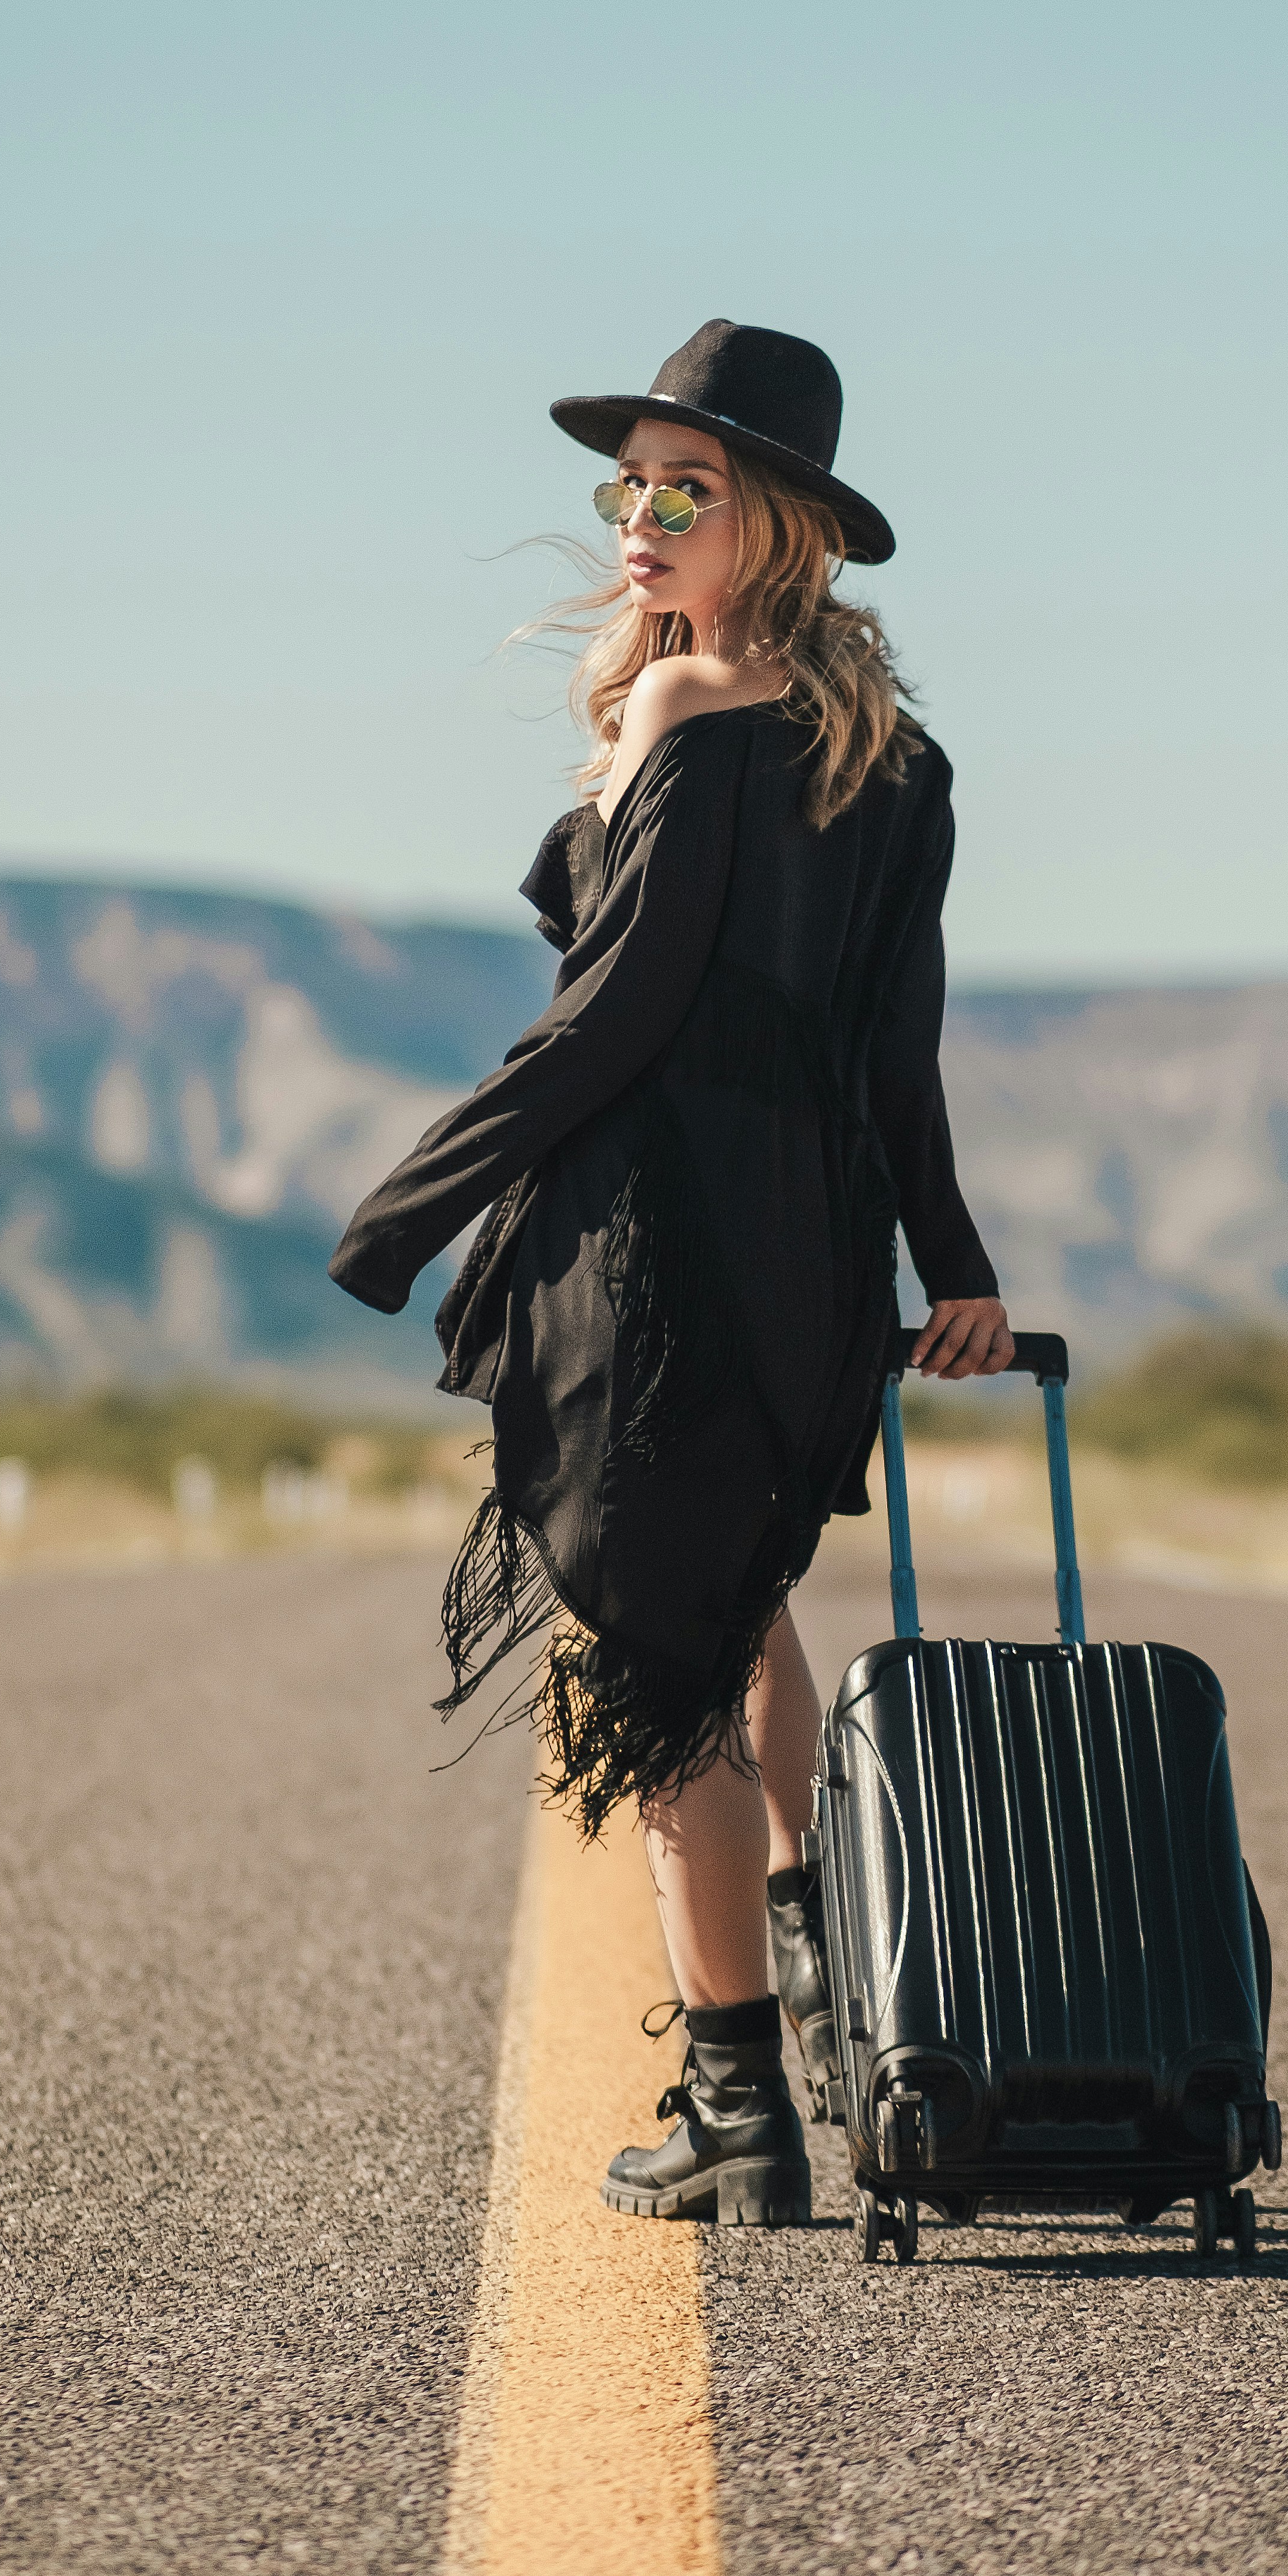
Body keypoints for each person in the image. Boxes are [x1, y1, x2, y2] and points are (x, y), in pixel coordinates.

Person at [330, 318, 1012, 2224]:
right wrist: (950, 1263)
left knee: (655, 1673)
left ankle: (736, 2109)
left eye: (683, 490)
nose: (638, 517)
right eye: (627, 485)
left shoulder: (692, 713)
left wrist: (409, 1209)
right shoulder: (898, 761)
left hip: (657, 1255)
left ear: (775, 520)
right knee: (741, 1615)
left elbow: (616, 1015)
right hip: (812, 1257)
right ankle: (830, 2007)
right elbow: (896, 1055)